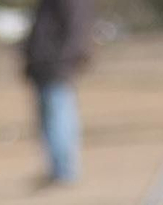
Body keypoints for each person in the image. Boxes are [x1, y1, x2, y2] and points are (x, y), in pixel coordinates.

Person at [24, 0, 94, 186]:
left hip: (57, 66)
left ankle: (64, 172)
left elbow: (75, 32)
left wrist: (63, 60)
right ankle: (57, 169)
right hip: (44, 67)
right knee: (50, 119)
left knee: (59, 117)